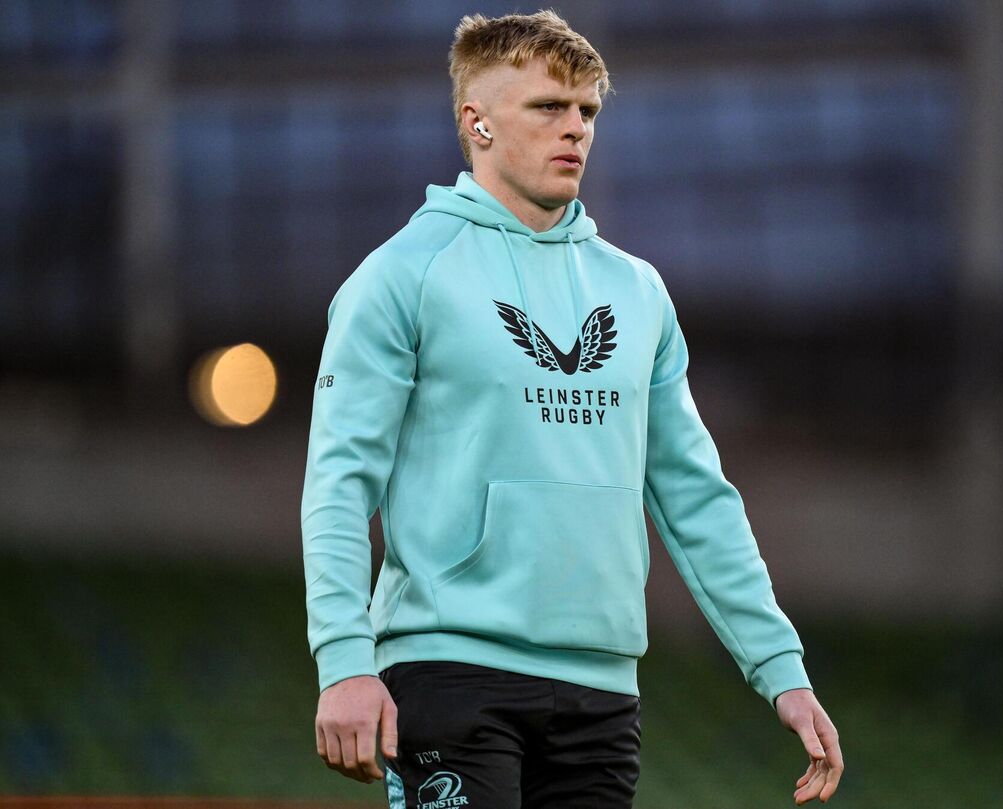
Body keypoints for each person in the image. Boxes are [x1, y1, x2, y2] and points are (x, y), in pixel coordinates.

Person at [300, 10, 843, 808]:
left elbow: (695, 495)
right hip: (449, 673)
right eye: (548, 108)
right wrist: (346, 659)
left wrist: (781, 669)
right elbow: (339, 482)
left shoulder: (638, 290)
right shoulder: (400, 277)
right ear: (475, 122)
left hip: (600, 689)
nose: (576, 130)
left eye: (587, 110)